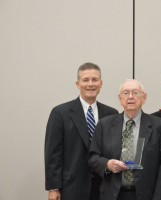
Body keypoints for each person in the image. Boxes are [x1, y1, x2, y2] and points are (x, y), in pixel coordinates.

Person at [88, 79, 161, 200]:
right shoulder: (104, 125)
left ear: (144, 97)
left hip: (146, 195)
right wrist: (107, 165)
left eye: (135, 92)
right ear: (120, 98)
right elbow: (93, 157)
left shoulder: (159, 126)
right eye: (126, 93)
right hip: (112, 194)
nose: (130, 97)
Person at [44, 62, 118, 200]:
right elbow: (52, 154)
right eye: (85, 80)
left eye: (95, 79)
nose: (90, 84)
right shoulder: (60, 113)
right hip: (71, 187)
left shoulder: (112, 114)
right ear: (77, 84)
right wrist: (53, 188)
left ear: (101, 83)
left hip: (104, 186)